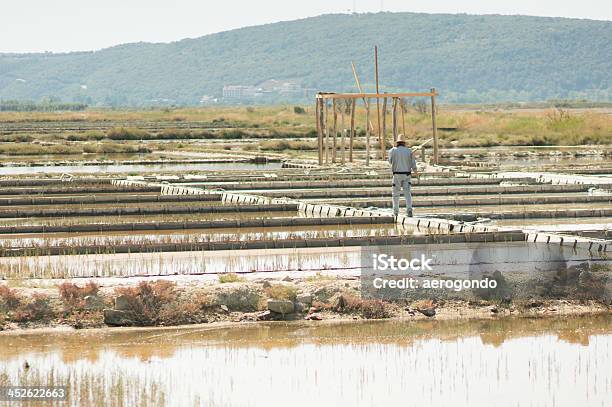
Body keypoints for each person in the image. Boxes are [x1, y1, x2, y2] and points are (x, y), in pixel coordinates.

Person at [388, 134, 418, 217]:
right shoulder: (409, 151)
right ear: (404, 143)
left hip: (397, 174)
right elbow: (413, 165)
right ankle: (409, 210)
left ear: (397, 142)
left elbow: (390, 162)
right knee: (407, 193)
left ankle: (395, 212)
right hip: (407, 174)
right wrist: (417, 175)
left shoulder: (392, 151)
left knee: (395, 194)